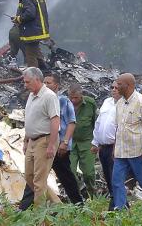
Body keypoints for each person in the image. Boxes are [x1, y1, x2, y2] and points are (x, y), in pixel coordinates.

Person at [112, 73, 142, 212]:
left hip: (137, 151)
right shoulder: (119, 103)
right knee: (116, 182)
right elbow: (119, 128)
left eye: (119, 84)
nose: (116, 87)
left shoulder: (141, 102)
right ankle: (120, 212)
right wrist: (115, 148)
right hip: (121, 152)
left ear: (129, 85)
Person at [44, 74, 84, 204]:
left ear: (56, 85)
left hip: (60, 146)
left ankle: (78, 204)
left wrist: (65, 142)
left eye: (48, 82)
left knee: (66, 176)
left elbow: (72, 123)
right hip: (44, 145)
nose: (45, 85)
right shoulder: (42, 100)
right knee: (37, 175)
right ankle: (26, 206)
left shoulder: (63, 101)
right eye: (44, 82)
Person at [23, 67, 60, 206]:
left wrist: (51, 145)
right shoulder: (32, 95)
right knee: (29, 176)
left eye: (27, 82)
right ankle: (58, 205)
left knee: (39, 180)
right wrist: (26, 140)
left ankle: (39, 216)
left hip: (44, 140)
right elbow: (30, 118)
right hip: (32, 141)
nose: (25, 85)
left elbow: (55, 120)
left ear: (37, 80)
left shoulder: (49, 96)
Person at [91, 81, 121, 209]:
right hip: (103, 147)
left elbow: (121, 128)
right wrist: (95, 142)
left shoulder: (125, 105)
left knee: (115, 178)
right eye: (112, 87)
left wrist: (116, 148)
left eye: (116, 88)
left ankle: (115, 207)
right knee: (108, 178)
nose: (113, 90)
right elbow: (99, 123)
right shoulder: (107, 102)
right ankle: (121, 205)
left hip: (115, 148)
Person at [12, 0, 50, 69]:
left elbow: (30, 14)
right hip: (40, 29)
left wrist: (18, 19)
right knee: (36, 52)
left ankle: (33, 77)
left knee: (30, 56)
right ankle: (46, 72)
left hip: (32, 31)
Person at [68, 83, 97, 198]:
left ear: (82, 96)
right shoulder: (65, 103)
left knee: (89, 173)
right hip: (70, 143)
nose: (73, 100)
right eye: (71, 97)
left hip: (87, 142)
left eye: (76, 98)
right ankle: (76, 197)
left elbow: (96, 123)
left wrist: (96, 142)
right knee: (70, 172)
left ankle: (93, 196)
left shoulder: (90, 104)